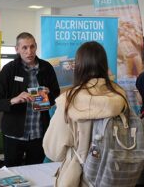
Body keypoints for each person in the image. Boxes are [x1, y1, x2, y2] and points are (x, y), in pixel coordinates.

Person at [43, 41, 128, 186]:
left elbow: (53, 151)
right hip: (117, 176)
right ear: (104, 65)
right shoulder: (120, 97)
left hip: (80, 179)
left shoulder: (69, 101)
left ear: (79, 66)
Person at [0, 32, 60, 167]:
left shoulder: (46, 68)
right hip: (13, 136)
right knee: (12, 174)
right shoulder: (9, 69)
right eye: (24, 48)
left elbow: (55, 94)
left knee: (36, 173)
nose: (29, 51)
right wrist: (13, 100)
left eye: (32, 47)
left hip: (39, 134)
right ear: (17, 49)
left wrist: (46, 98)